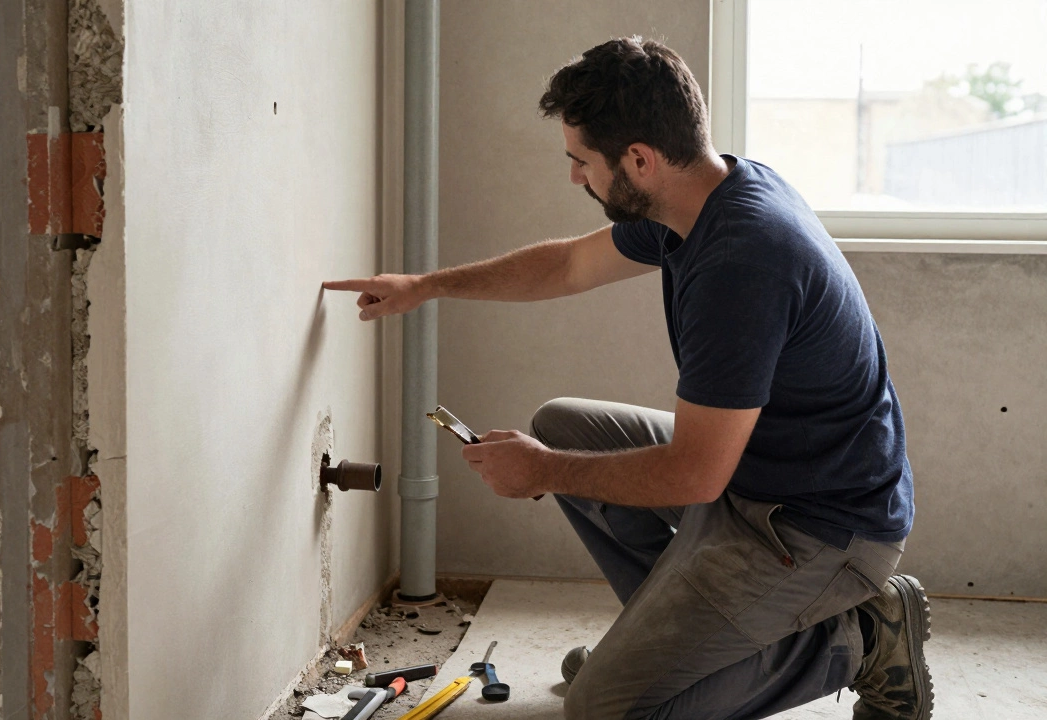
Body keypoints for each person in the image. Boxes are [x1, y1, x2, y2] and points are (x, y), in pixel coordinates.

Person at [323, 36, 929, 720]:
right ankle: (661, 649)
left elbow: (694, 476)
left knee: (605, 710)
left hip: (819, 526)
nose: (575, 178)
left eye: (581, 161)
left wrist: (544, 472)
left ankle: (862, 640)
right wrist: (425, 286)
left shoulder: (744, 262)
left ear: (638, 159)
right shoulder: (699, 198)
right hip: (760, 470)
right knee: (563, 425)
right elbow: (566, 266)